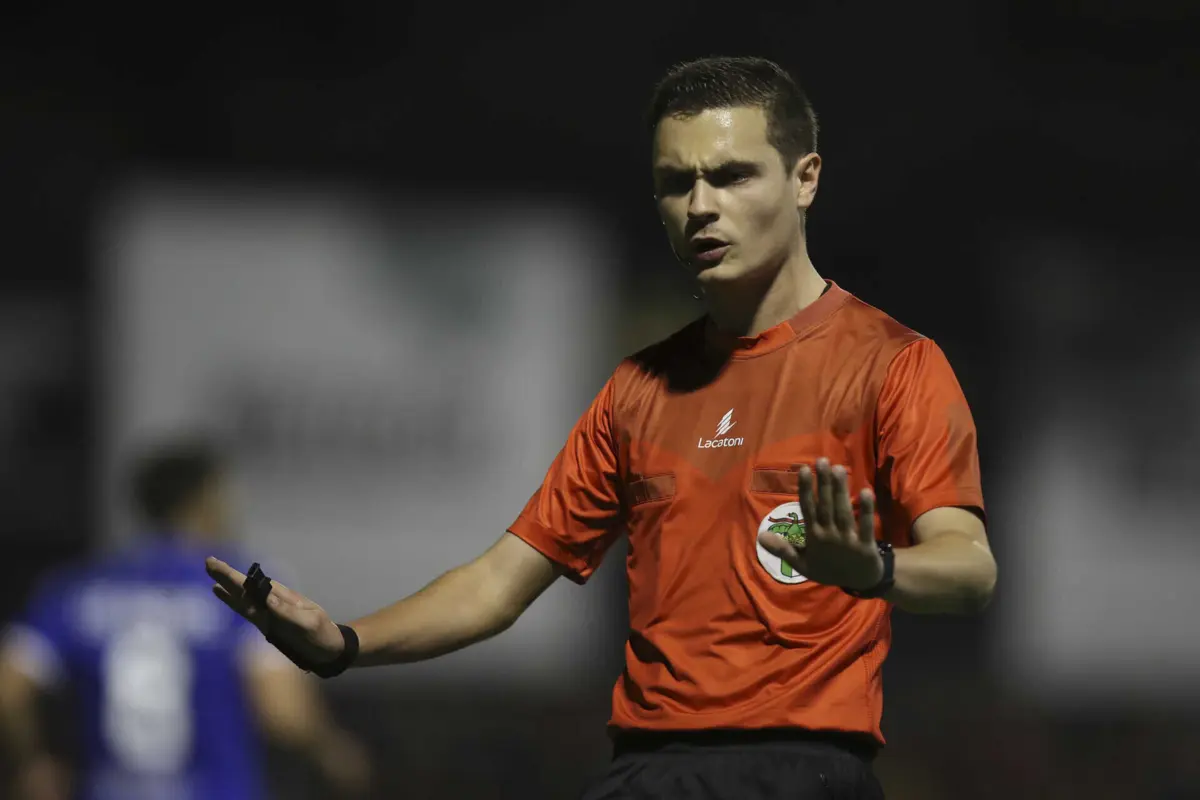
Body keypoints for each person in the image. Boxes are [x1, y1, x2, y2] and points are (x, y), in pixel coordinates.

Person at [206, 56, 997, 799]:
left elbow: (969, 569)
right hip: (645, 776)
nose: (700, 206)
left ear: (805, 180)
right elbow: (497, 584)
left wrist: (874, 570)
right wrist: (345, 643)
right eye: (675, 183)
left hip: (800, 774)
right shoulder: (635, 390)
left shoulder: (895, 363)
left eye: (731, 176)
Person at [0, 438, 371, 800]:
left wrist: (31, 763)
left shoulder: (77, 588)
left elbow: (9, 687)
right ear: (206, 499)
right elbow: (282, 713)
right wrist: (330, 747)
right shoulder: (239, 585)